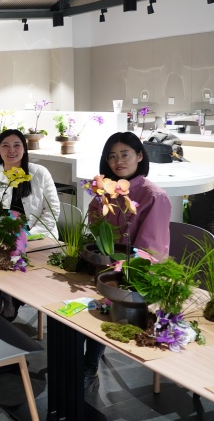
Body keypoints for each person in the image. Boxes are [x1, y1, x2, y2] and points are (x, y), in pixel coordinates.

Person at [83, 131, 172, 392]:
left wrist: (113, 266)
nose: (118, 161)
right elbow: (95, 223)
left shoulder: (153, 196)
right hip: (106, 267)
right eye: (112, 156)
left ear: (140, 156)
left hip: (137, 274)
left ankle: (89, 365)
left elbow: (148, 253)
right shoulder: (107, 190)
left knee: (98, 303)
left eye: (125, 154)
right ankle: (79, 359)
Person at [0, 129, 60, 238]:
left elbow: (52, 210)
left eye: (16, 145)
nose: (11, 150)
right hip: (2, 235)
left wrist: (30, 235)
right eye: (5, 145)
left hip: (38, 236)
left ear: (24, 149)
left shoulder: (40, 173)